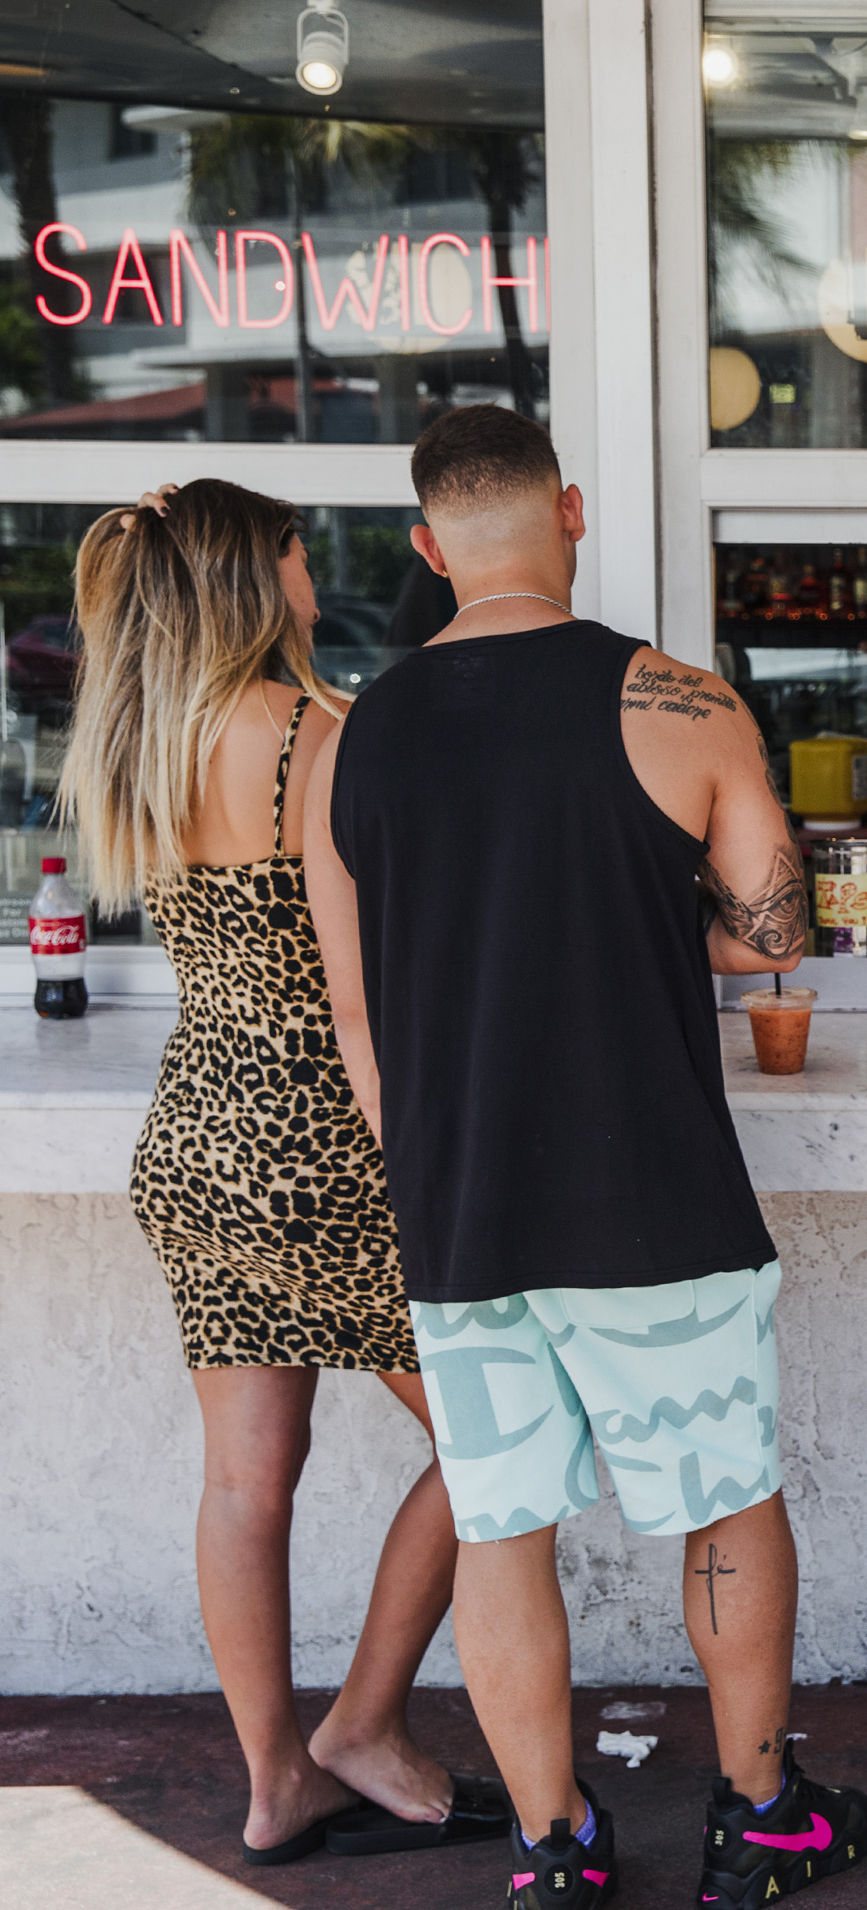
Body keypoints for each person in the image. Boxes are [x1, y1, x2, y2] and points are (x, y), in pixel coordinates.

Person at [305, 406, 867, 1910]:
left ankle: (554, 1843)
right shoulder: (680, 700)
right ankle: (761, 1813)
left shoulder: (352, 738)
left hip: (461, 1201)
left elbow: (358, 1014)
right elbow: (775, 931)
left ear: (428, 550)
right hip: (655, 1190)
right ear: (571, 513)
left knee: (501, 1522)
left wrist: (440, 1158)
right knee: (723, 1496)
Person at [58, 480, 511, 1865]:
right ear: (263, 574)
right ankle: (364, 1723)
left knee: (245, 1477)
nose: (320, 571)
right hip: (322, 1139)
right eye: (302, 550)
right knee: (498, 1437)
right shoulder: (319, 735)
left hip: (200, 1134)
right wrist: (426, 1169)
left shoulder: (144, 739)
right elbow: (362, 1012)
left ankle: (274, 1780)